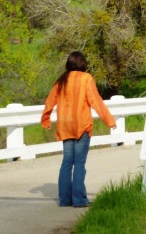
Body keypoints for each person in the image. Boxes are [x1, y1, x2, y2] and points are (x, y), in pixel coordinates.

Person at [41, 51, 117, 208]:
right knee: (79, 163)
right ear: (83, 63)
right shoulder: (86, 79)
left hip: (65, 126)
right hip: (81, 125)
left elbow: (49, 101)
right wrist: (109, 120)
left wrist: (46, 119)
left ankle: (65, 200)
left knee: (67, 162)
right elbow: (96, 101)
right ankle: (79, 200)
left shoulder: (61, 80)